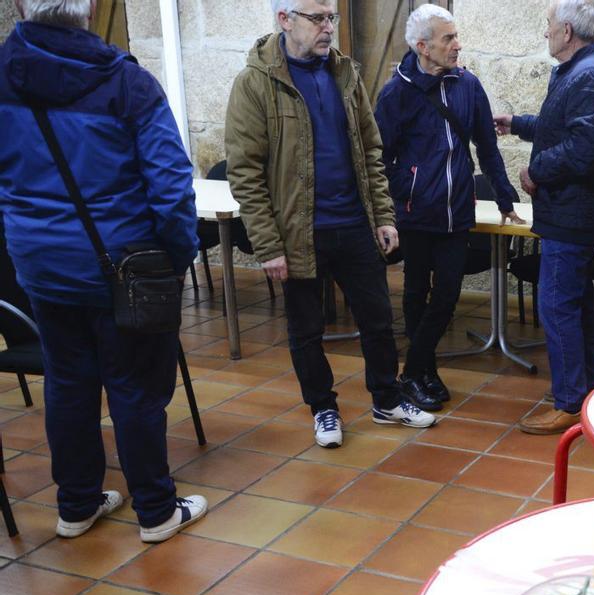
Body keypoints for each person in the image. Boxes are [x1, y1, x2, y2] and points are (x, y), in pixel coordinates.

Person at [0, 0, 207, 542]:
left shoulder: (3, 74)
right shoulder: (127, 84)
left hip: (40, 266)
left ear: (22, 5)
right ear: (90, 7)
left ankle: (77, 506)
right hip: (124, 267)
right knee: (134, 388)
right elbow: (169, 187)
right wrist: (178, 258)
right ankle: (157, 512)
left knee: (67, 385)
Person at [226, 0, 436, 450]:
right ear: (284, 20)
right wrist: (267, 245)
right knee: (306, 330)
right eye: (317, 18)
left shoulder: (345, 75)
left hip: (353, 223)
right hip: (298, 232)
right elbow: (244, 172)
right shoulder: (256, 84)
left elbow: (371, 151)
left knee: (378, 320)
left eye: (331, 18)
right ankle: (323, 407)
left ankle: (386, 398)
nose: (328, 28)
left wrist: (382, 215)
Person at [375, 4, 523, 412]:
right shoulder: (396, 93)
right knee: (416, 292)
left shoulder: (467, 85)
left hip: (458, 212)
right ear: (423, 47)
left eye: (456, 37)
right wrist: (401, 193)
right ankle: (426, 370)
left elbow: (486, 146)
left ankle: (412, 370)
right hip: (415, 213)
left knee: (447, 297)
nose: (457, 45)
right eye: (448, 39)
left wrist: (506, 196)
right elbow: (379, 156)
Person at [493, 0, 594, 435]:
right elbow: (561, 126)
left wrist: (536, 171)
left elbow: (584, 149)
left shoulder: (587, 76)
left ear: (566, 31)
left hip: (573, 214)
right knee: (577, 304)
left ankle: (569, 403)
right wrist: (518, 124)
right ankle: (590, 388)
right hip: (574, 213)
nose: (545, 32)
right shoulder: (579, 71)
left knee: (556, 305)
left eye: (548, 25)